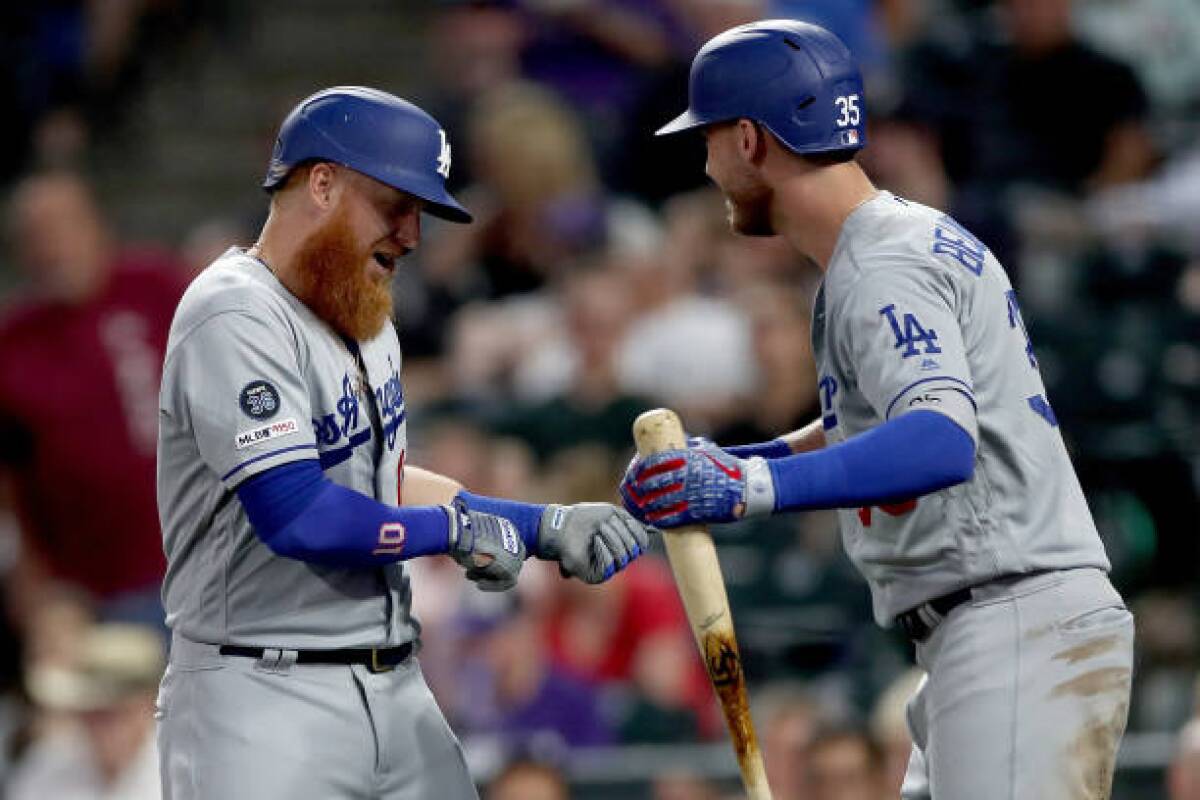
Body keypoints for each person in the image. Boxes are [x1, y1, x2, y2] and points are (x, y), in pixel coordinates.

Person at [620, 21, 1134, 799]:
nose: (706, 163)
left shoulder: (882, 263)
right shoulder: (890, 242)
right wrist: (738, 464)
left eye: (711, 139)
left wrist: (748, 489)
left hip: (1013, 617)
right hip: (993, 622)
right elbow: (879, 419)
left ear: (753, 141)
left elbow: (937, 440)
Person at [155, 86, 653, 800]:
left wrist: (542, 524)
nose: (413, 235)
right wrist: (454, 530)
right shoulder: (234, 311)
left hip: (394, 681)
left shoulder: (363, 314)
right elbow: (300, 516)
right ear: (321, 183)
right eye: (396, 206)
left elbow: (381, 486)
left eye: (420, 212)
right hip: (262, 695)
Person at [0, 171, 186, 629]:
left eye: (64, 228)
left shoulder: (159, 287)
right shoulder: (13, 341)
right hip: (93, 594)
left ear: (97, 227)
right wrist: (32, 587)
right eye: (36, 237)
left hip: (208, 565)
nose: (52, 248)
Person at [7, 623, 165, 800]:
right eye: (88, 710)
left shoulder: (183, 771)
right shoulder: (45, 762)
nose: (95, 723)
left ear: (147, 706)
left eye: (111, 712)